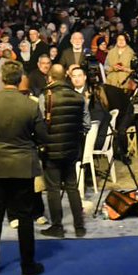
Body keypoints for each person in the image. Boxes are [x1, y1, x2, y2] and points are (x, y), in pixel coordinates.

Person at [0, 60, 49, 275]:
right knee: (25, 216)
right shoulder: (29, 104)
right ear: (20, 80)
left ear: (1, 78)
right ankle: (27, 266)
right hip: (22, 164)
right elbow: (42, 136)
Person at [38, 65, 87, 239]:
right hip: (72, 149)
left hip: (51, 150)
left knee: (53, 189)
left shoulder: (46, 97)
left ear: (50, 77)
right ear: (65, 76)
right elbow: (86, 125)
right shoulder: (78, 97)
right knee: (72, 187)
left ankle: (57, 226)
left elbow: (40, 124)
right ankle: (79, 226)